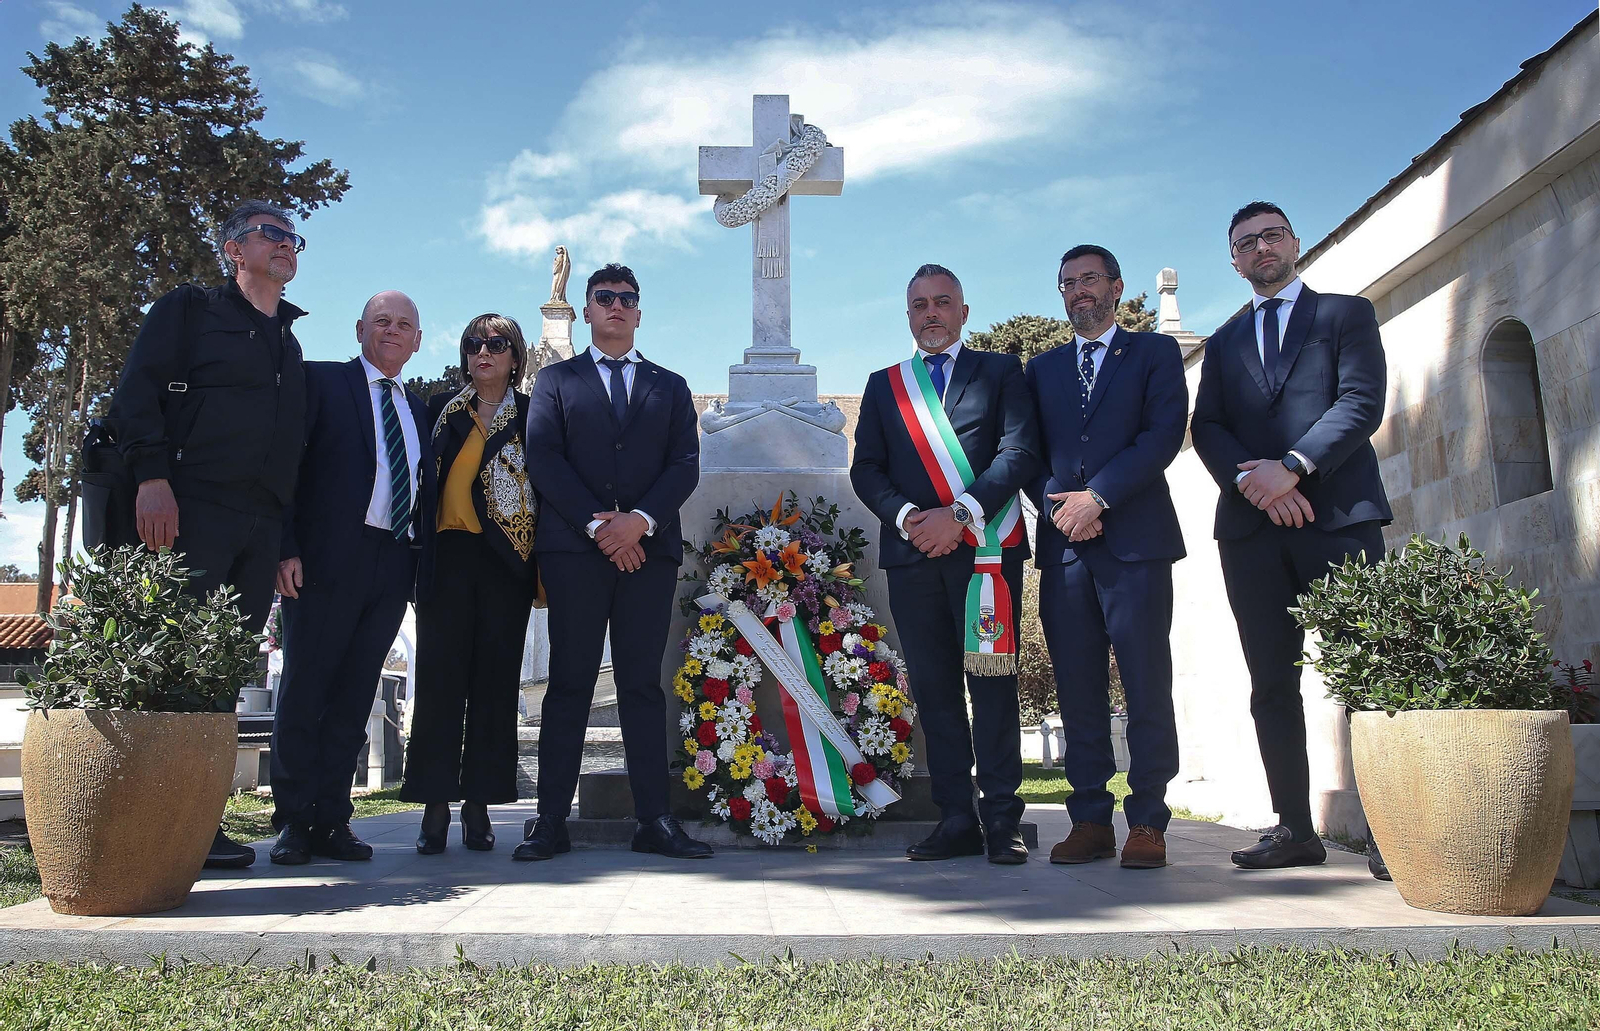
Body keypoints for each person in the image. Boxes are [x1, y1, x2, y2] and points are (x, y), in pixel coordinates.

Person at [108, 199, 310, 871]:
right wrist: (151, 477)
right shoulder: (188, 311)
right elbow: (136, 393)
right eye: (272, 235)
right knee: (173, 666)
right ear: (234, 249)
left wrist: (283, 537)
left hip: (258, 525)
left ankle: (198, 822)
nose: (287, 245)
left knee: (222, 670)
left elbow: (289, 449)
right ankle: (147, 822)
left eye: (293, 238)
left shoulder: (290, 339)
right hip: (189, 508)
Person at [1191, 201, 1392, 870]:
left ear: (1294, 242)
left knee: (1369, 673)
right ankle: (1297, 829)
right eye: (1245, 242)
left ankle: (1396, 831)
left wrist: (1294, 469)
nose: (1260, 249)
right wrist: (1259, 485)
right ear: (1234, 261)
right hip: (1252, 533)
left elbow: (1361, 401)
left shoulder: (1346, 315)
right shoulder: (1221, 343)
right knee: (1270, 682)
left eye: (1271, 235)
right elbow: (1207, 428)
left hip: (1337, 520)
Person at [519, 264, 710, 861]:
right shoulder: (556, 382)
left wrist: (639, 523)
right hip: (577, 552)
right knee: (571, 684)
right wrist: (602, 525)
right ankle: (551, 820)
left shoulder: (670, 386)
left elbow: (684, 465)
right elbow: (544, 458)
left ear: (639, 311)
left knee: (640, 687)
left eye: (627, 298)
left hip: (648, 556)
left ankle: (654, 819)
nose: (616, 306)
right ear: (588, 307)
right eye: (604, 298)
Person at [850, 264, 1041, 864]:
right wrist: (909, 517)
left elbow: (1020, 451)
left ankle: (1003, 818)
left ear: (963, 310)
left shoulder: (1002, 371)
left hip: (984, 555)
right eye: (918, 306)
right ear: (908, 316)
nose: (930, 313)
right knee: (934, 690)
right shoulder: (886, 385)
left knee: (991, 683)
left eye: (941, 302)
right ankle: (955, 816)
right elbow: (866, 470)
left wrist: (958, 515)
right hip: (913, 557)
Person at [1025, 245, 1188, 870]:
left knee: (1147, 679)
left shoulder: (1153, 354)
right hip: (1066, 548)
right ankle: (1090, 818)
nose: (1078, 291)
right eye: (1067, 283)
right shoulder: (1042, 369)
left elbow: (1162, 436)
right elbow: (1027, 448)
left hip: (1136, 543)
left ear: (1116, 287)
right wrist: (1062, 505)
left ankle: (1147, 818)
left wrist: (1099, 498)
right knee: (1077, 687)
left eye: (1089, 279)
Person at [269, 291, 436, 865]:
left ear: (417, 341)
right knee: (306, 687)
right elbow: (285, 465)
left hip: (392, 562)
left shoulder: (418, 408)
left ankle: (333, 819)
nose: (393, 331)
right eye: (382, 321)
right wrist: (284, 546)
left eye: (404, 325)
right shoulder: (322, 383)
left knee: (354, 692)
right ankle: (293, 819)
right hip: (322, 560)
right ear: (359, 329)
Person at [400, 314, 539, 853]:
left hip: (507, 562)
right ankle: (434, 803)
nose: (485, 352)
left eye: (497, 344)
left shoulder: (533, 416)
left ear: (515, 356)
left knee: (494, 684)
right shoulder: (438, 411)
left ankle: (479, 805)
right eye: (474, 344)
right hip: (447, 557)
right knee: (438, 682)